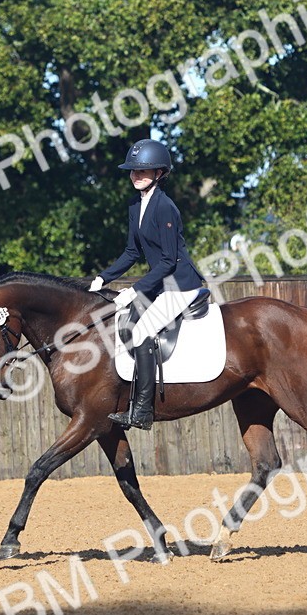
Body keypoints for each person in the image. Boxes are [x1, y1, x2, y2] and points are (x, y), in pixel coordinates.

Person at [89, 139, 204, 430]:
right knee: (124, 322)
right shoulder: (134, 205)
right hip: (161, 283)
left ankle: (141, 411)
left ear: (159, 173)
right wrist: (104, 277)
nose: (135, 176)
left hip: (180, 284)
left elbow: (167, 261)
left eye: (143, 171)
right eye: (132, 171)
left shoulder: (166, 208)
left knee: (140, 331)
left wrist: (134, 290)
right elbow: (132, 252)